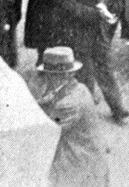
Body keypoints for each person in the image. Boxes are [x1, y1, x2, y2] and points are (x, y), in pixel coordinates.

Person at [31, 46, 110, 187]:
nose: (47, 78)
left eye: (50, 74)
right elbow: (53, 97)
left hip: (81, 163)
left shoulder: (68, 105)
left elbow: (49, 132)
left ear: (60, 76)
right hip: (91, 156)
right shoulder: (80, 88)